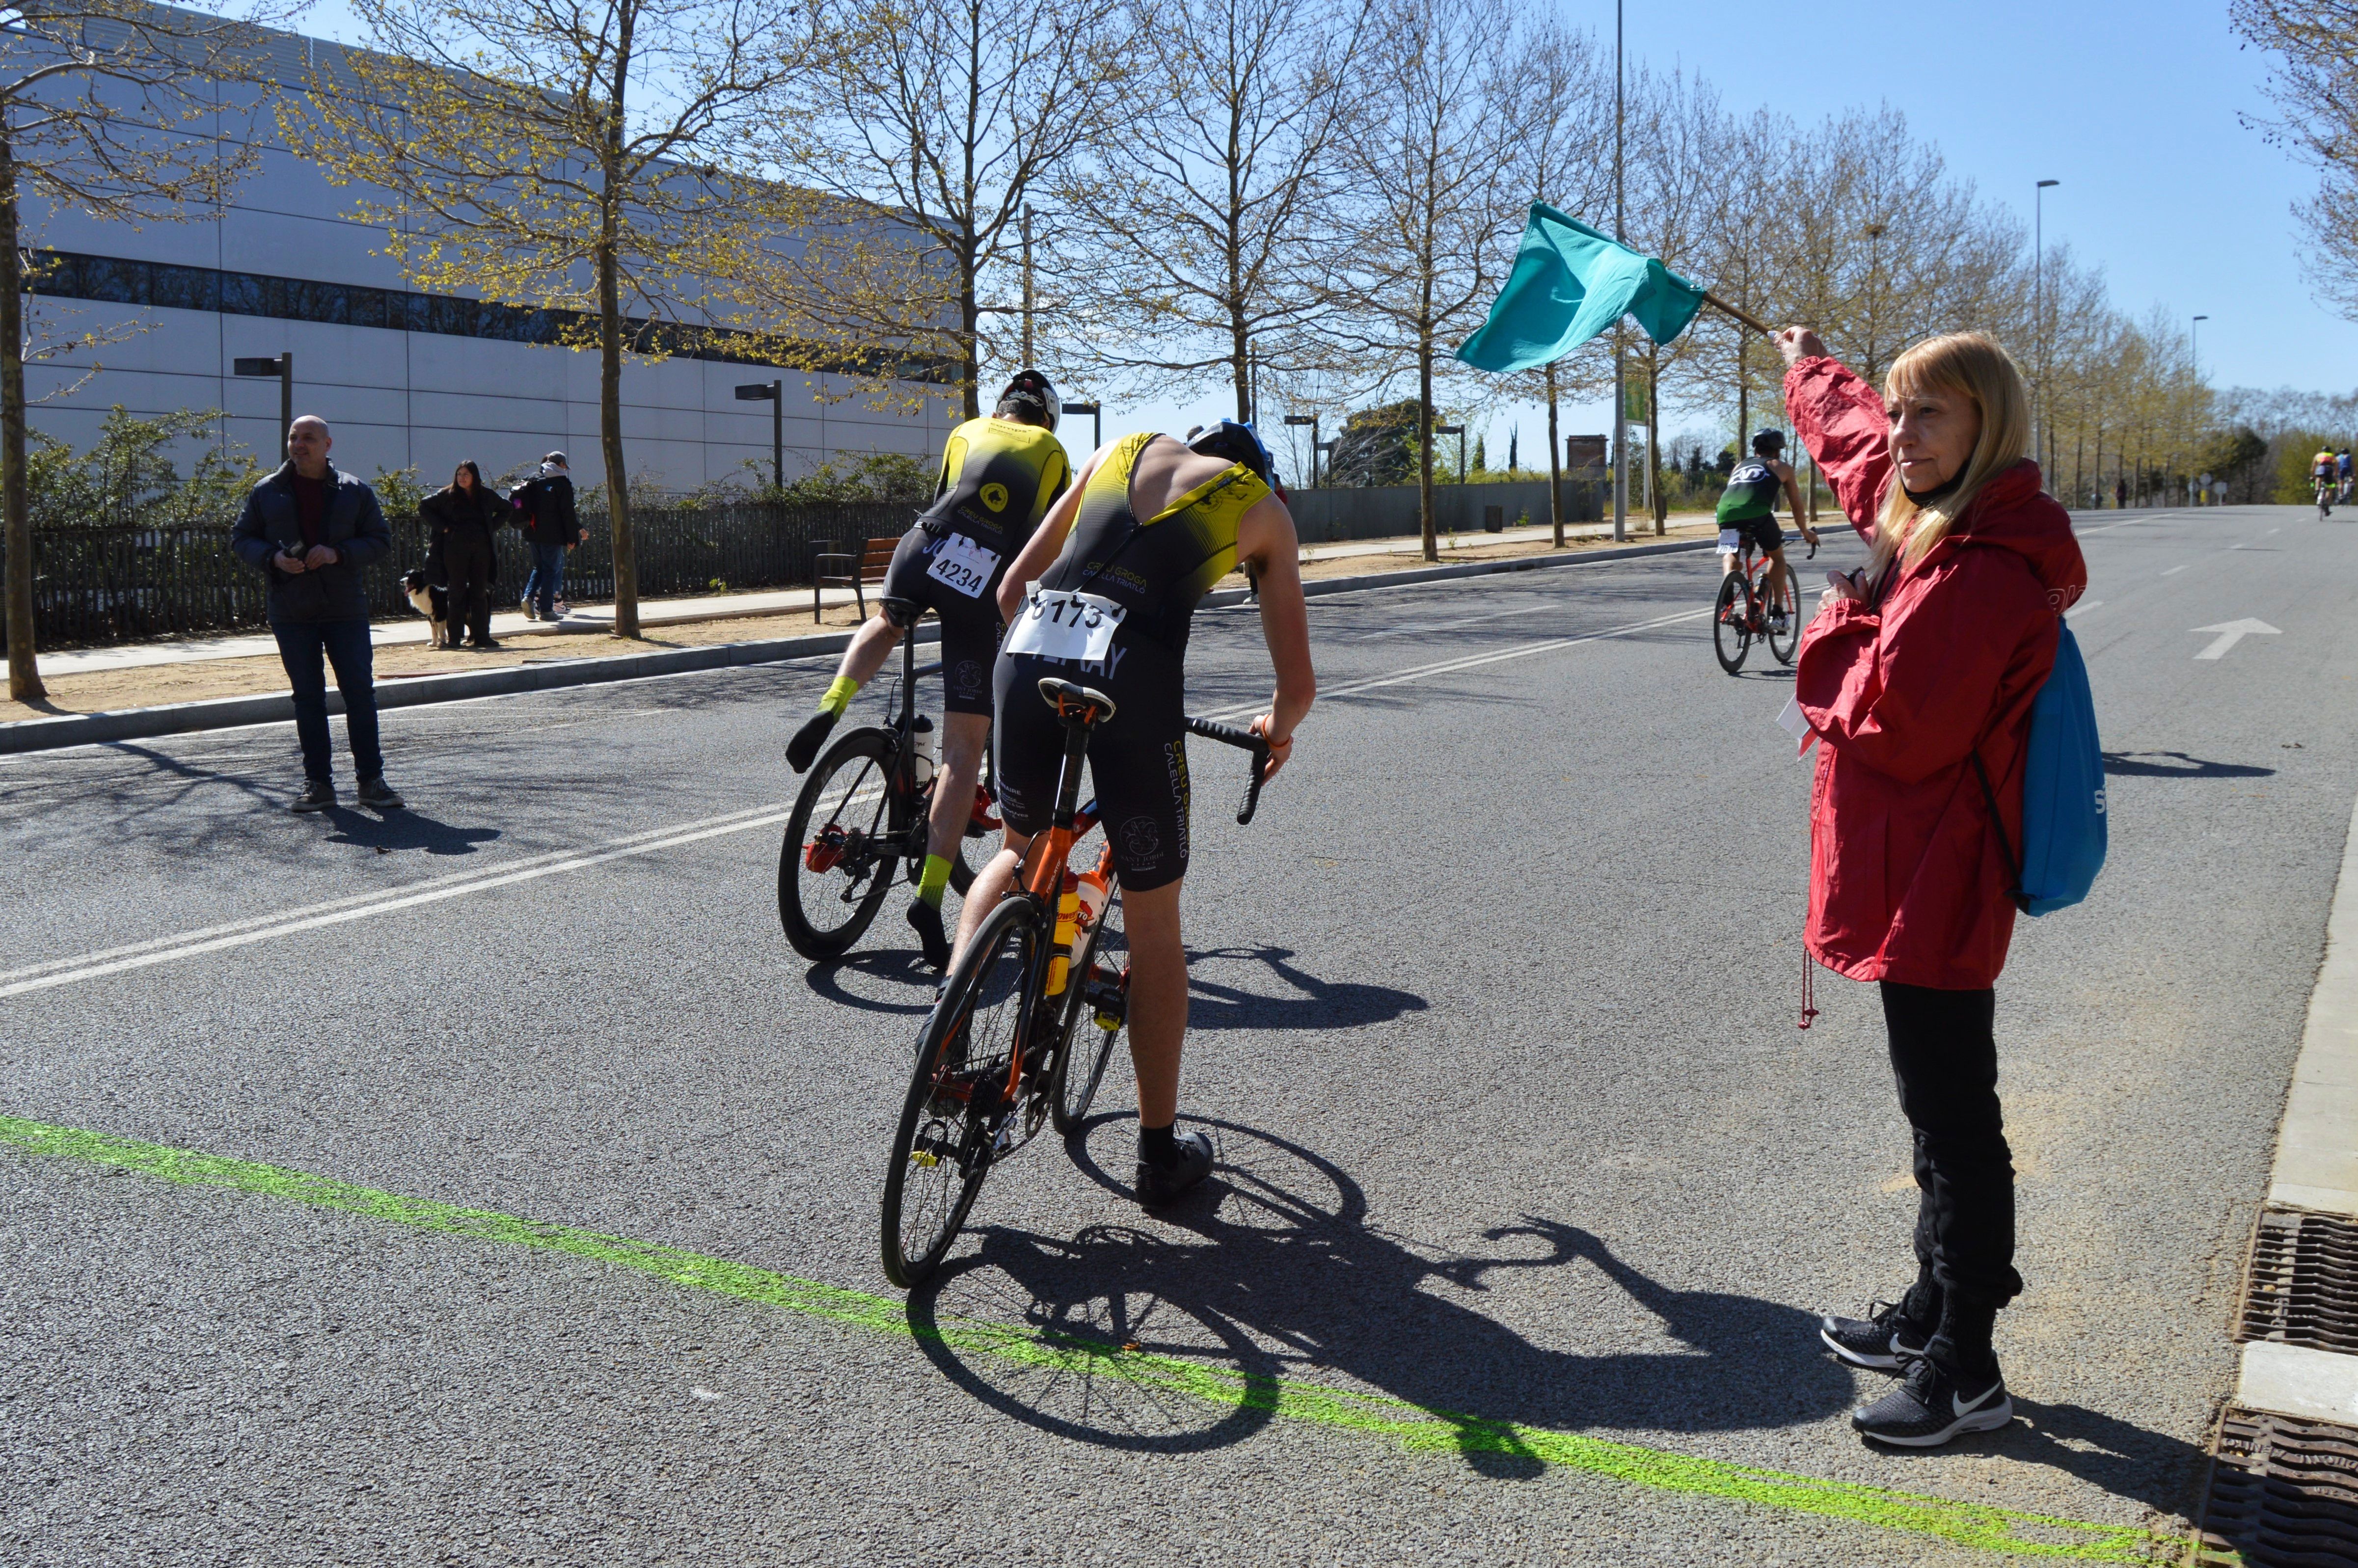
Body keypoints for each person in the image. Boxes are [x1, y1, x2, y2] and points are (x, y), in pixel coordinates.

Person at [1774, 326, 2086, 1448]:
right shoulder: (1952, 521)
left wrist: (1841, 614)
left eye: (1931, 416)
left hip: (1940, 884)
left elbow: (1888, 722)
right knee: (1938, 1111)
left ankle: (1966, 1369)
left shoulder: (1974, 573)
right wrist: (1813, 369)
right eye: (1900, 412)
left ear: (1984, 430)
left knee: (1956, 1123)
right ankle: (1929, 1311)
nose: (1903, 437)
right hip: (1927, 869)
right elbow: (1862, 454)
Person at [959, 419, 1315, 1207]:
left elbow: (1011, 586)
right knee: (1154, 924)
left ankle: (945, 1042)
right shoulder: (1261, 506)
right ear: (1253, 467)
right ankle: (1158, 1154)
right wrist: (1273, 734)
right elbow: (1297, 688)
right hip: (1133, 678)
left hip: (1025, 652)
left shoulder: (1116, 448)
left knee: (1017, 852)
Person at [783, 371, 1073, 967]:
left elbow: (948, 490)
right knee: (961, 753)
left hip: (925, 547)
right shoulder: (1053, 452)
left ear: (1003, 408)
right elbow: (1052, 541)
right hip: (984, 582)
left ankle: (831, 706)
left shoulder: (965, 429)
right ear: (1046, 417)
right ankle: (931, 896)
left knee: (889, 625)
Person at [231, 416, 405, 813]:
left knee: (359, 695)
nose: (298, 444)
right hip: (291, 611)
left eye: (308, 438)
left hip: (345, 608)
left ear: (328, 444)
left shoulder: (353, 490)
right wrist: (272, 558)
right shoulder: (267, 491)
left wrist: (337, 553)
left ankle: (371, 782)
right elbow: (241, 538)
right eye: (294, 437)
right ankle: (318, 785)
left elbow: (380, 540)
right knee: (307, 698)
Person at [1714, 430, 1820, 624]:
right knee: (1777, 558)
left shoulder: (1739, 466)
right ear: (1778, 451)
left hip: (1724, 514)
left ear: (1756, 449)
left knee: (1731, 553)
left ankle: (1726, 602)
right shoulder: (1782, 467)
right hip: (1756, 514)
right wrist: (1805, 532)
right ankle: (1778, 614)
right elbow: (1796, 504)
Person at [419, 460, 511, 649]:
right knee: (457, 592)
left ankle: (482, 636)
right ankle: (455, 638)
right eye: (459, 474)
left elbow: (507, 508)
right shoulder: (448, 495)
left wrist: (491, 528)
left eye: (466, 475)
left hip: (481, 549)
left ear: (474, 477)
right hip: (455, 549)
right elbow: (424, 506)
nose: (462, 478)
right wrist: (443, 527)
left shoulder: (485, 495)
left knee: (479, 592)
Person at [514, 453, 585, 621]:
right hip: (553, 535)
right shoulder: (562, 483)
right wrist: (572, 538)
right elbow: (567, 513)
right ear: (561, 464)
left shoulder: (532, 478)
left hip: (532, 531)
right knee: (550, 571)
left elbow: (518, 502)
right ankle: (546, 611)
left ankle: (528, 597)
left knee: (539, 567)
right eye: (565, 467)